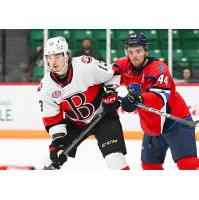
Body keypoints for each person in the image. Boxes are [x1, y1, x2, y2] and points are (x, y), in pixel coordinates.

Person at [37, 36, 129, 170]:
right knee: (51, 161)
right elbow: (53, 120)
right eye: (49, 57)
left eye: (57, 56)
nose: (53, 61)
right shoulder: (45, 87)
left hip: (104, 118)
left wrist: (110, 92)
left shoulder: (85, 65)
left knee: (115, 160)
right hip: (75, 124)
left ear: (66, 55)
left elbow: (113, 72)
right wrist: (57, 142)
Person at [115, 32, 199, 170]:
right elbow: (107, 75)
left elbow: (159, 99)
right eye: (130, 52)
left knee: (188, 165)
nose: (134, 56)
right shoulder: (124, 65)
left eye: (138, 51)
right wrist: (107, 91)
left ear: (146, 51)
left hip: (176, 122)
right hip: (152, 125)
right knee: (149, 166)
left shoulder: (159, 69)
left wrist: (138, 98)